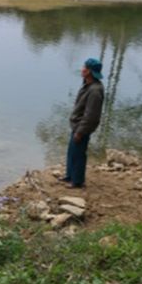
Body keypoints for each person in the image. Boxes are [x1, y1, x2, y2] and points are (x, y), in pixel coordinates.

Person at [61, 58, 105, 188]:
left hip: (82, 127)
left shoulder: (95, 90)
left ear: (90, 71)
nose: (82, 69)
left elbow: (91, 115)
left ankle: (77, 181)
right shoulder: (88, 85)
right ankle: (69, 176)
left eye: (84, 67)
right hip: (76, 125)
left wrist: (81, 131)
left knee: (79, 154)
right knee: (72, 152)